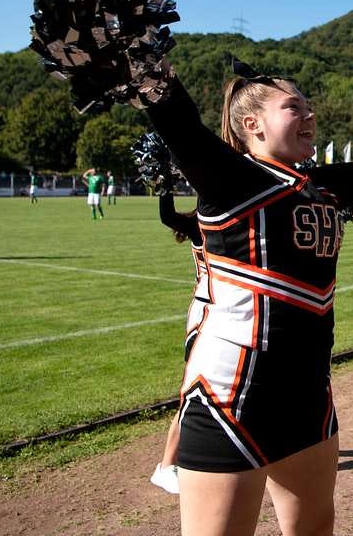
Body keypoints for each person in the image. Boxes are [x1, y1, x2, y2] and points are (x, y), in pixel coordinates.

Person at [145, 62, 353, 536]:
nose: (309, 115)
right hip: (232, 396)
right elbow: (178, 122)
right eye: (293, 107)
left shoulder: (319, 184)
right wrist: (146, 62)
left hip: (308, 393)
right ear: (251, 124)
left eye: (309, 106)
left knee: (316, 529)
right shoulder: (229, 178)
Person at [151, 191, 208, 495]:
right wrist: (164, 185)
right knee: (193, 393)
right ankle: (166, 466)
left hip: (229, 313)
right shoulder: (202, 225)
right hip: (206, 315)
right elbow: (168, 217)